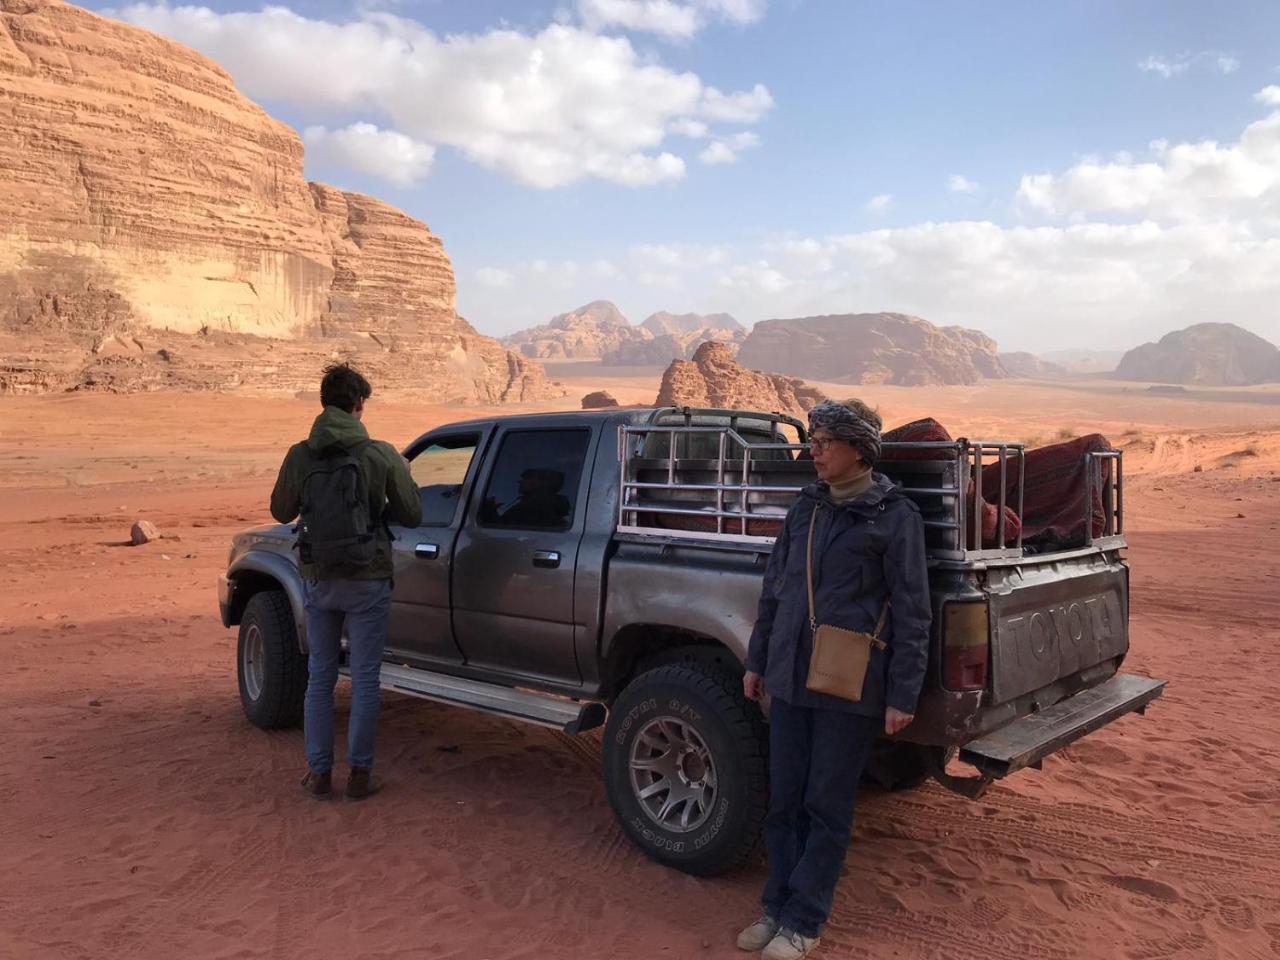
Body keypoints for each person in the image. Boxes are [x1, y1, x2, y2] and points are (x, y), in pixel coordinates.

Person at [736, 400, 930, 960]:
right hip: (790, 676)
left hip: (851, 683)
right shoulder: (807, 508)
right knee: (784, 799)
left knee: (827, 803)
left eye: (823, 442)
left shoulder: (895, 517)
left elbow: (914, 611)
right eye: (812, 441)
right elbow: (775, 591)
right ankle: (775, 906)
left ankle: (804, 919)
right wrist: (757, 661)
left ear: (858, 448)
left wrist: (903, 694)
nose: (812, 452)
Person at [270, 363, 421, 801]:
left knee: (319, 676)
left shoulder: (301, 454)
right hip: (368, 577)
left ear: (323, 402)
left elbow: (281, 511)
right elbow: (413, 514)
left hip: (319, 578)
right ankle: (360, 774)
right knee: (364, 677)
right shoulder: (380, 453)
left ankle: (318, 774)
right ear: (359, 405)